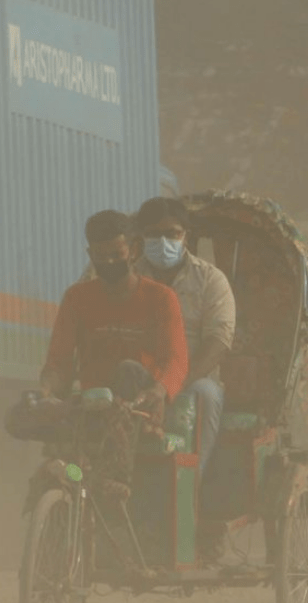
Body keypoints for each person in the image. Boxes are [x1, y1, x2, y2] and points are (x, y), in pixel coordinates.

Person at [41, 210, 189, 421]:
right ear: (90, 255)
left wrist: (159, 389)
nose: (109, 263)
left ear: (134, 251)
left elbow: (176, 359)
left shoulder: (162, 298)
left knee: (128, 370)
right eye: (101, 257)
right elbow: (58, 360)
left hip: (143, 404)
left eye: (116, 255)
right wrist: (46, 389)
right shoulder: (76, 298)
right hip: (92, 406)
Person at [132, 197, 236, 478]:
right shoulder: (128, 277)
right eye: (154, 234)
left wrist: (171, 385)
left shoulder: (210, 280)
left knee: (206, 396)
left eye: (172, 234)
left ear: (185, 236)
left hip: (192, 378)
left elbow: (219, 342)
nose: (163, 241)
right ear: (141, 237)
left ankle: (191, 486)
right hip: (138, 374)